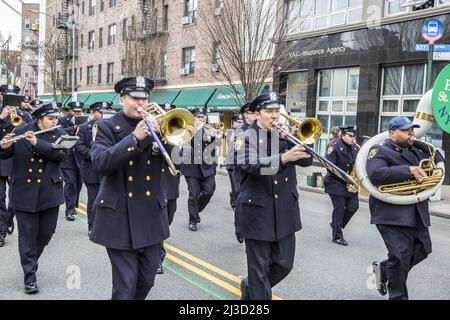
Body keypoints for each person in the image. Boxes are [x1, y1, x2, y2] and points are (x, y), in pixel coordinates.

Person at [90, 76, 170, 300]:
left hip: (151, 217)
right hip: (119, 218)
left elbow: (179, 163)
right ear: (122, 99)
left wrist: (167, 138)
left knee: (146, 280)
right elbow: (100, 164)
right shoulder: (106, 127)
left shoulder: (160, 126)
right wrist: (134, 138)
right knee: (125, 288)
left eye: (145, 99)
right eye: (135, 98)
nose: (141, 104)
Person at [236, 91, 313, 300]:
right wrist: (284, 157)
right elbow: (250, 165)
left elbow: (306, 161)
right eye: (269, 111)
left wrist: (299, 138)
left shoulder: (284, 135)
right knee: (259, 271)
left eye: (277, 111)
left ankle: (250, 285)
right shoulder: (244, 137)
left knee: (284, 264)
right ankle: (256, 289)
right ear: (257, 114)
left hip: (285, 211)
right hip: (257, 212)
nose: (274, 116)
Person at [368, 116, 444, 300]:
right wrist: (409, 170)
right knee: (400, 257)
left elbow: (436, 158)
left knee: (423, 249)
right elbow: (375, 174)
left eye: (412, 129)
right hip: (392, 213)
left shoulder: (418, 150)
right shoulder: (379, 150)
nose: (411, 132)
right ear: (392, 133)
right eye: (405, 130)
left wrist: (435, 155)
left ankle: (384, 269)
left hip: (417, 212)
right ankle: (398, 296)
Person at [0, 101, 67, 294]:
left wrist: (37, 143)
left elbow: (60, 155)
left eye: (56, 117)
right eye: (51, 118)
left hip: (49, 192)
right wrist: (5, 146)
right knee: (27, 236)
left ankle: (30, 259)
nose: (55, 121)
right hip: (23, 192)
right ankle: (29, 274)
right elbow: (5, 155)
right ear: (39, 119)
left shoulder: (61, 134)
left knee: (47, 233)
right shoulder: (21, 130)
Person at [0, 85, 32, 247]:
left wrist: (20, 124)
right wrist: (1, 117)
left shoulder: (25, 115)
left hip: (17, 161)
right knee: (0, 199)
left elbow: (30, 136)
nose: (11, 101)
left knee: (13, 200)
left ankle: (8, 217)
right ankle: (1, 232)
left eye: (14, 98)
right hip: (1, 158)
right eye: (7, 97)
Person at [74, 101, 112, 235]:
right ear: (93, 112)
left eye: (104, 112)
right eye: (99, 112)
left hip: (107, 168)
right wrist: (94, 155)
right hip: (91, 168)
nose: (102, 115)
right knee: (94, 198)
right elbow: (78, 145)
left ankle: (105, 223)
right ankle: (92, 225)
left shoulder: (111, 126)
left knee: (107, 197)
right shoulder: (85, 127)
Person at [181, 107, 221, 232]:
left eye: (203, 117)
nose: (202, 119)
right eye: (199, 117)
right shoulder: (186, 130)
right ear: (193, 118)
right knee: (193, 194)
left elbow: (214, 149)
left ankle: (195, 210)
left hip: (207, 166)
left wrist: (214, 137)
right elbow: (183, 144)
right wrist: (196, 130)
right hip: (192, 167)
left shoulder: (209, 130)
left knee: (209, 191)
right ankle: (193, 220)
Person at [324, 125, 360, 246]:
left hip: (350, 183)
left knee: (353, 207)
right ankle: (337, 236)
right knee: (339, 208)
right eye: (350, 136)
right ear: (343, 135)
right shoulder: (333, 146)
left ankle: (336, 224)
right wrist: (346, 177)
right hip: (335, 182)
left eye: (353, 136)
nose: (352, 138)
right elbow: (330, 167)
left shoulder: (355, 148)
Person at [158, 102, 181, 275]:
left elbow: (182, 161)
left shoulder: (176, 136)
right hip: (152, 187)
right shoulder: (146, 133)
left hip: (170, 186)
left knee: (167, 221)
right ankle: (158, 257)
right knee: (157, 224)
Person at [58, 101, 84, 221]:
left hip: (79, 158)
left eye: (79, 111)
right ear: (70, 110)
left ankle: (74, 206)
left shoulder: (85, 120)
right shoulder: (63, 120)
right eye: (75, 111)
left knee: (78, 184)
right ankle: (69, 210)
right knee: (70, 184)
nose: (77, 113)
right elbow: (59, 132)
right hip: (67, 157)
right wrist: (73, 128)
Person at [225, 114, 243, 210]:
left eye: (241, 122)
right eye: (238, 122)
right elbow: (231, 143)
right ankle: (235, 203)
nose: (240, 124)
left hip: (241, 162)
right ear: (233, 123)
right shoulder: (229, 132)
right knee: (235, 186)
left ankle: (234, 196)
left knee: (239, 186)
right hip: (231, 163)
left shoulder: (244, 131)